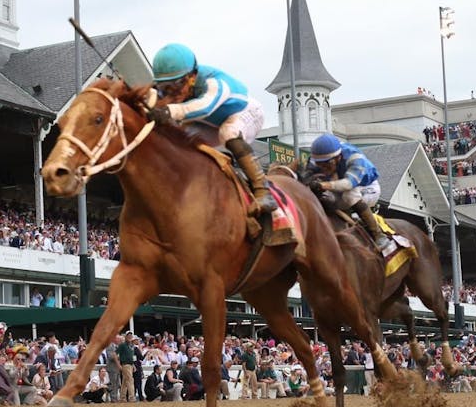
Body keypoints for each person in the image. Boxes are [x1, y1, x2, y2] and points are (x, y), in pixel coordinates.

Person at [147, 42, 277, 214]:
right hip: (209, 124)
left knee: (228, 133)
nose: (172, 93)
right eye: (165, 87)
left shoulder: (213, 82)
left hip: (246, 113)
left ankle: (263, 190)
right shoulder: (174, 88)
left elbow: (205, 107)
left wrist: (169, 110)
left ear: (192, 76)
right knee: (181, 139)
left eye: (177, 85)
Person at [306, 133, 391, 251]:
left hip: (366, 188)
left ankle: (378, 235)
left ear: (338, 157)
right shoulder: (315, 160)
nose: (323, 168)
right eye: (320, 164)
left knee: (349, 195)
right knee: (323, 197)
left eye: (327, 164)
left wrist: (322, 184)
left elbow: (348, 184)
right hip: (339, 187)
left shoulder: (354, 157)